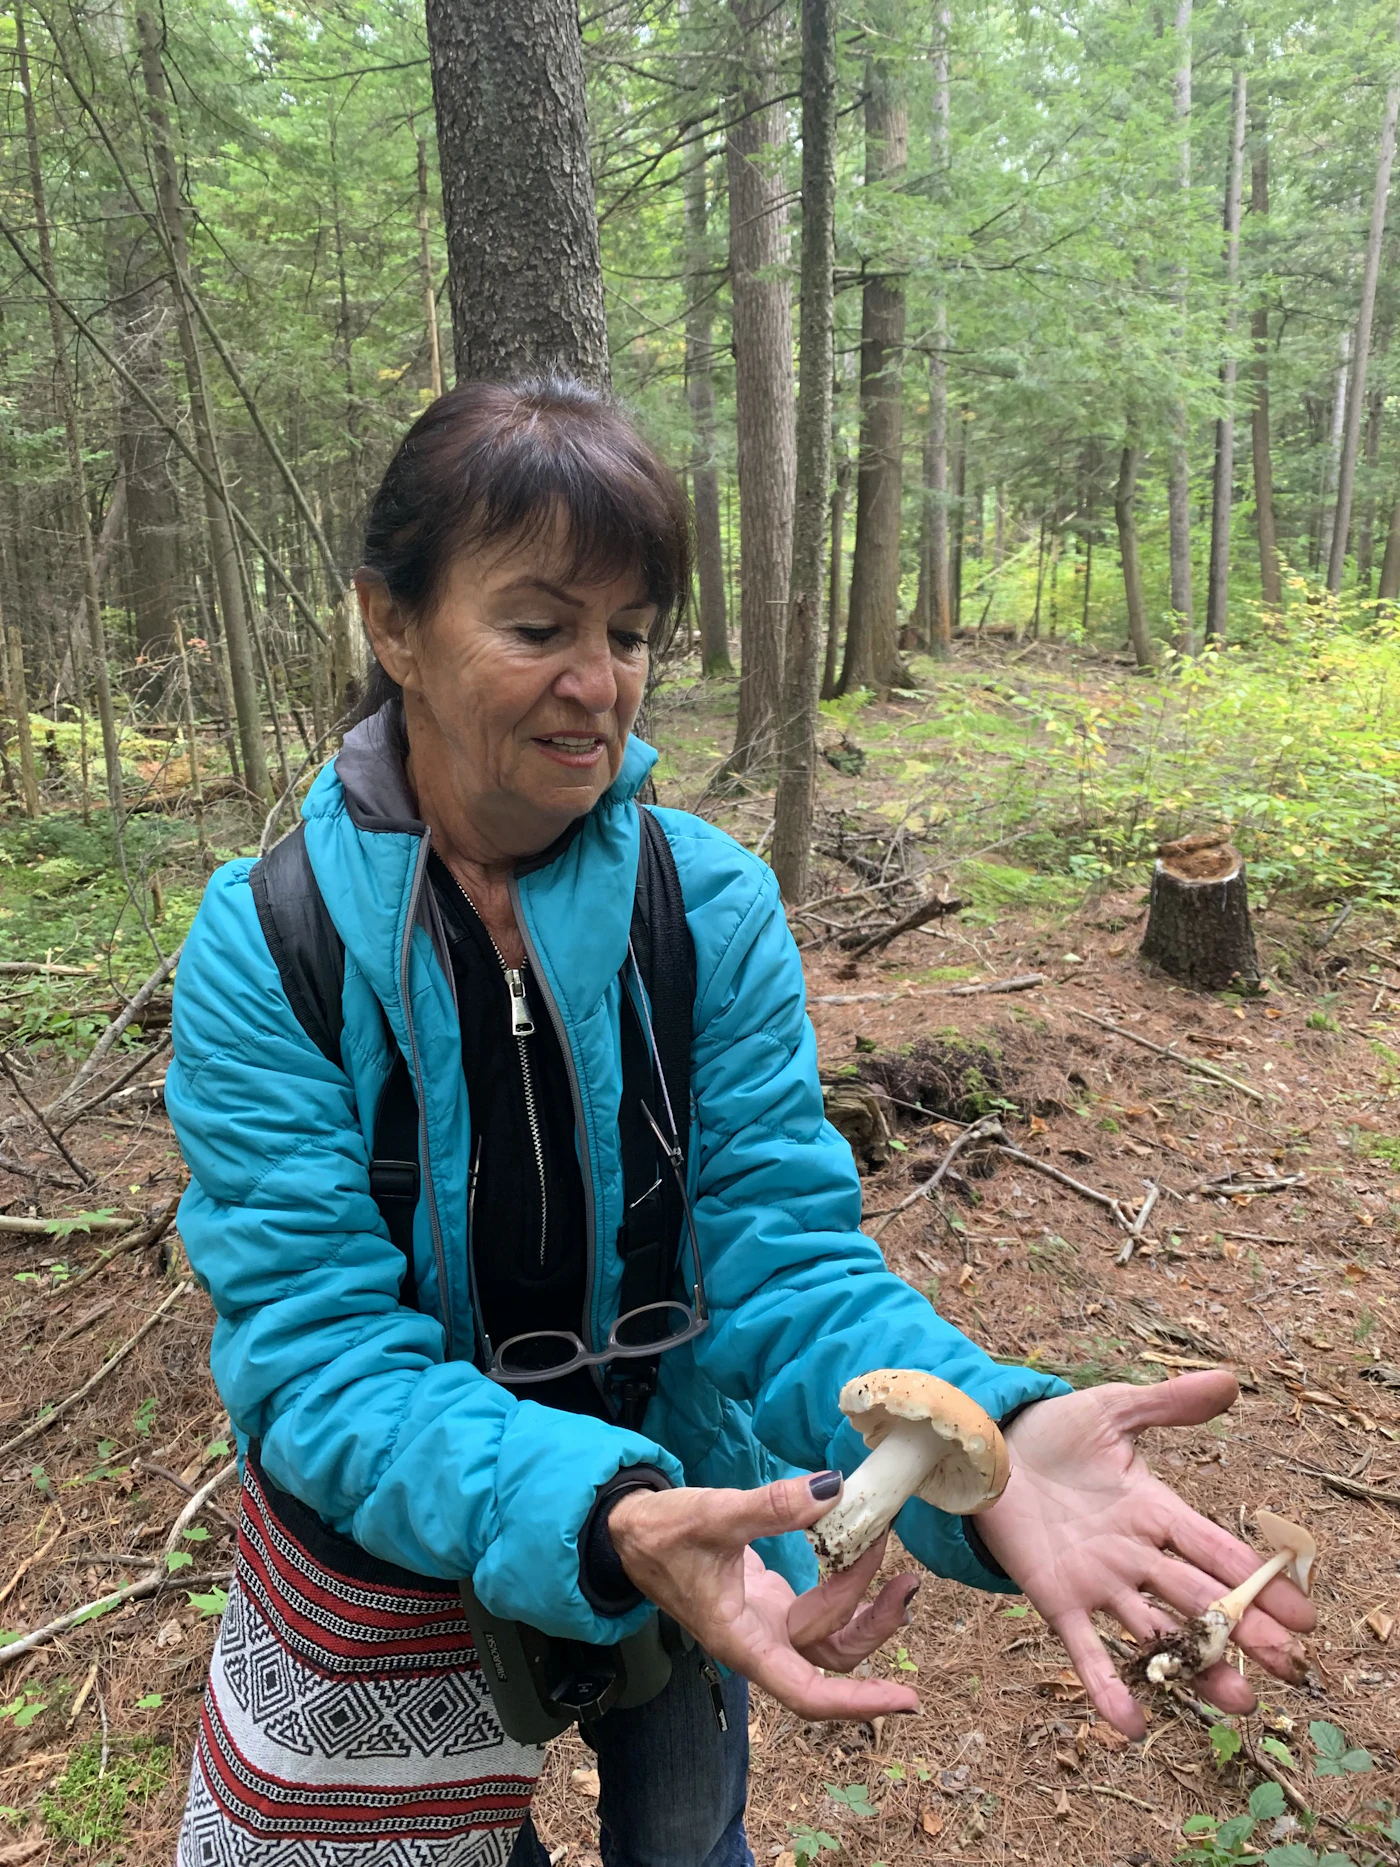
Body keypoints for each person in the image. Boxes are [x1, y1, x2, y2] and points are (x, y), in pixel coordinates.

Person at [166, 378, 1314, 1867]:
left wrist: (1002, 1424)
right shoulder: (276, 942)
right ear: (393, 625)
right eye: (539, 627)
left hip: (704, 1513)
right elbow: (316, 1354)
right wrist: (599, 1510)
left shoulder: (701, 906)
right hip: (412, 1538)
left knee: (689, 1838)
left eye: (630, 633)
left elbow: (779, 1262)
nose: (602, 682)